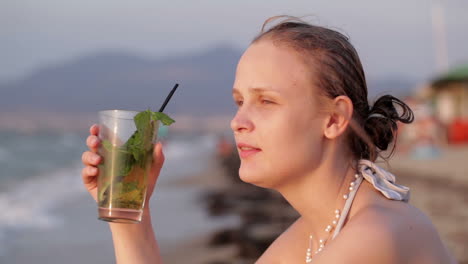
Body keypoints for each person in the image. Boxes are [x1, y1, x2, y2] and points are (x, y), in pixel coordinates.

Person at [81, 16, 456, 263]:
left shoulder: (373, 238)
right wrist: (132, 214)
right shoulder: (312, 234)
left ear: (333, 119)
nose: (238, 121)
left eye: (266, 101)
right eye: (240, 101)